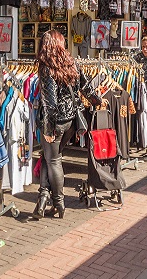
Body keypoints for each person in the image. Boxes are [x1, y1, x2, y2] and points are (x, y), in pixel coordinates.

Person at [33, 30, 99, 220]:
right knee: (49, 157)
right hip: (71, 121)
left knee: (53, 160)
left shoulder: (46, 67)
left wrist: (48, 129)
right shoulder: (71, 62)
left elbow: (50, 104)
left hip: (56, 122)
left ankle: (58, 203)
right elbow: (85, 87)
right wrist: (97, 100)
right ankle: (43, 198)